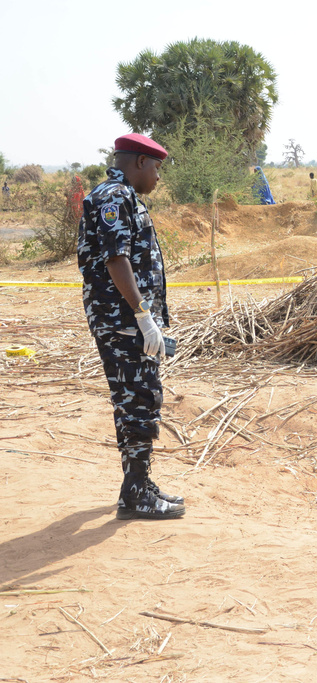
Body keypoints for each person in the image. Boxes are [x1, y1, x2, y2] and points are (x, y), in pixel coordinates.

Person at [77, 132, 184, 520]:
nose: (158, 176)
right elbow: (116, 260)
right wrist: (142, 315)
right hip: (122, 321)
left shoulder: (122, 197)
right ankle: (135, 493)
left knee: (136, 400)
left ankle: (138, 482)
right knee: (138, 401)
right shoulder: (115, 197)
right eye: (156, 167)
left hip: (128, 321)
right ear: (139, 162)